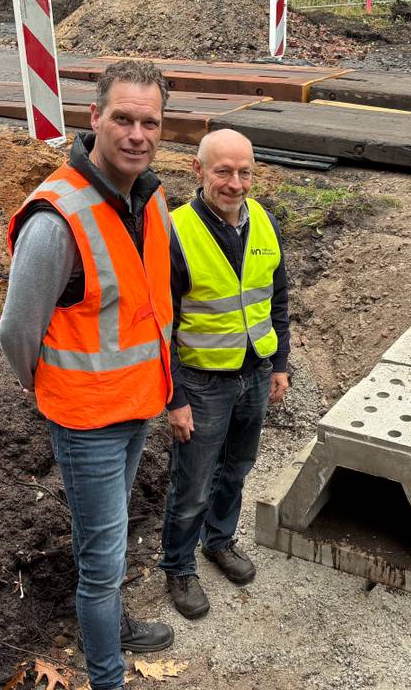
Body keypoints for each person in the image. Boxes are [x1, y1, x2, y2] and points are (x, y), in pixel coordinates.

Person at [0, 60, 176, 690]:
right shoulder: (58, 218)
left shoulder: (147, 198)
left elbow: (150, 305)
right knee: (101, 562)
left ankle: (113, 627)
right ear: (94, 118)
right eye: (122, 118)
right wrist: (45, 386)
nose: (136, 133)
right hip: (87, 422)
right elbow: (16, 332)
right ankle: (108, 676)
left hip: (136, 407)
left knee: (112, 536)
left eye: (148, 121)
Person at [158, 129, 291, 619]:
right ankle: (178, 565)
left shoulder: (264, 223)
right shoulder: (175, 232)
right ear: (198, 171)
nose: (235, 184)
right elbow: (161, 326)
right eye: (223, 172)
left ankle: (219, 541)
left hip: (254, 374)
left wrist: (279, 365)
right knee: (192, 482)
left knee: (236, 469)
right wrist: (174, 398)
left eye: (244, 172)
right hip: (202, 382)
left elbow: (276, 301)